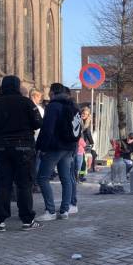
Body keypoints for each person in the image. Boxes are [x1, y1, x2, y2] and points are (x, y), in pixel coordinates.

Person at [0, 75, 43, 231]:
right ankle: (27, 220)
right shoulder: (26, 103)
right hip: (24, 147)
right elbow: (38, 123)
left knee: (4, 184)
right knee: (24, 184)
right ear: (17, 86)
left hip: (3, 148)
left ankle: (0, 220)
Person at [36, 83, 80, 222]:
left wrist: (41, 147)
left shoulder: (53, 106)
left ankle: (50, 210)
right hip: (69, 147)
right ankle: (65, 210)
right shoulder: (73, 106)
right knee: (66, 178)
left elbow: (47, 129)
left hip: (54, 148)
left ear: (53, 92)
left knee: (42, 178)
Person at [80, 105, 96, 178]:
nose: (84, 115)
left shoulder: (87, 123)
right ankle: (80, 175)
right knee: (82, 161)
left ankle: (81, 175)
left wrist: (91, 143)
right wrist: (92, 143)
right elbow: (88, 133)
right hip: (80, 143)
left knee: (84, 161)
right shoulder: (79, 121)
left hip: (84, 143)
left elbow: (88, 134)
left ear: (88, 115)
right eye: (83, 113)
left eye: (86, 114)